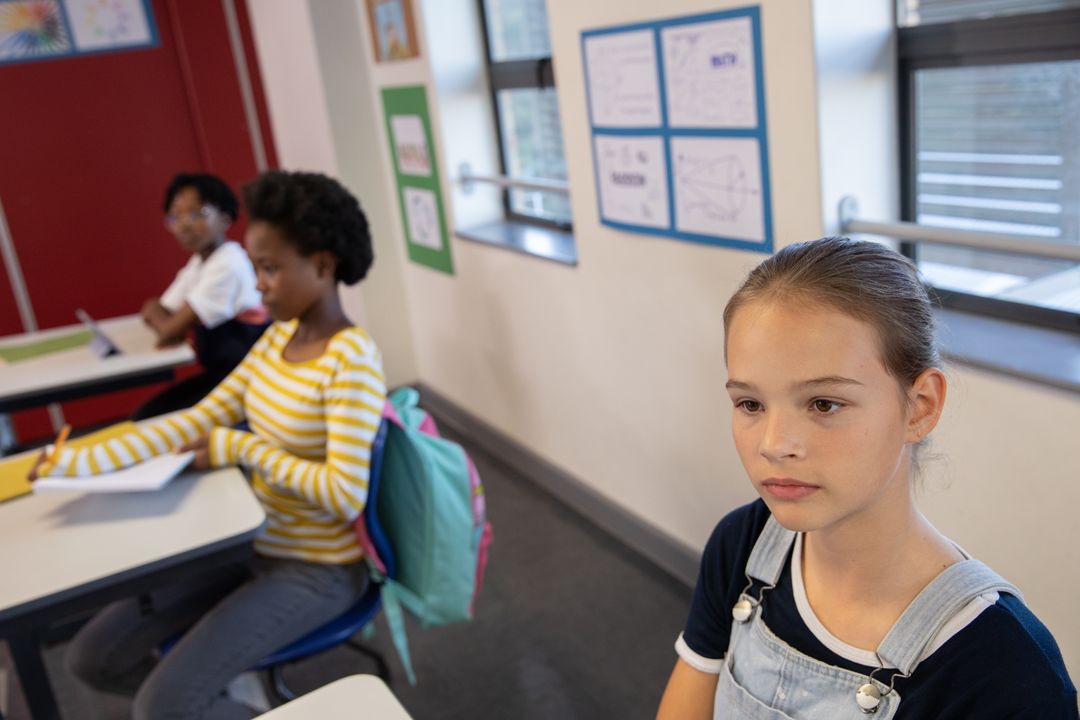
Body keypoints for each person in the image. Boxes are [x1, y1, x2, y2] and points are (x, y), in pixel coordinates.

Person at [657, 237, 1077, 719]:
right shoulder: (744, 544)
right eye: (750, 404)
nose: (774, 444)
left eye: (823, 404)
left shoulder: (1004, 667)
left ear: (919, 408)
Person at [32, 170, 386, 720]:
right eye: (256, 267)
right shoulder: (278, 338)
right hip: (250, 542)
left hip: (316, 568)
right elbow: (197, 419)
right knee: (92, 658)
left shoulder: (351, 360)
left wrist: (239, 449)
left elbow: (344, 494)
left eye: (269, 268)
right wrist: (71, 460)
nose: (259, 283)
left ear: (322, 266)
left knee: (162, 708)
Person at [135, 172, 268, 419]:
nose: (184, 224)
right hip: (224, 376)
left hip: (247, 381)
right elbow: (161, 310)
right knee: (148, 415)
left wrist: (163, 318)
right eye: (176, 216)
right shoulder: (200, 262)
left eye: (197, 214)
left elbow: (168, 328)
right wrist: (160, 314)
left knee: (151, 418)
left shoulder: (228, 263)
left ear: (225, 219)